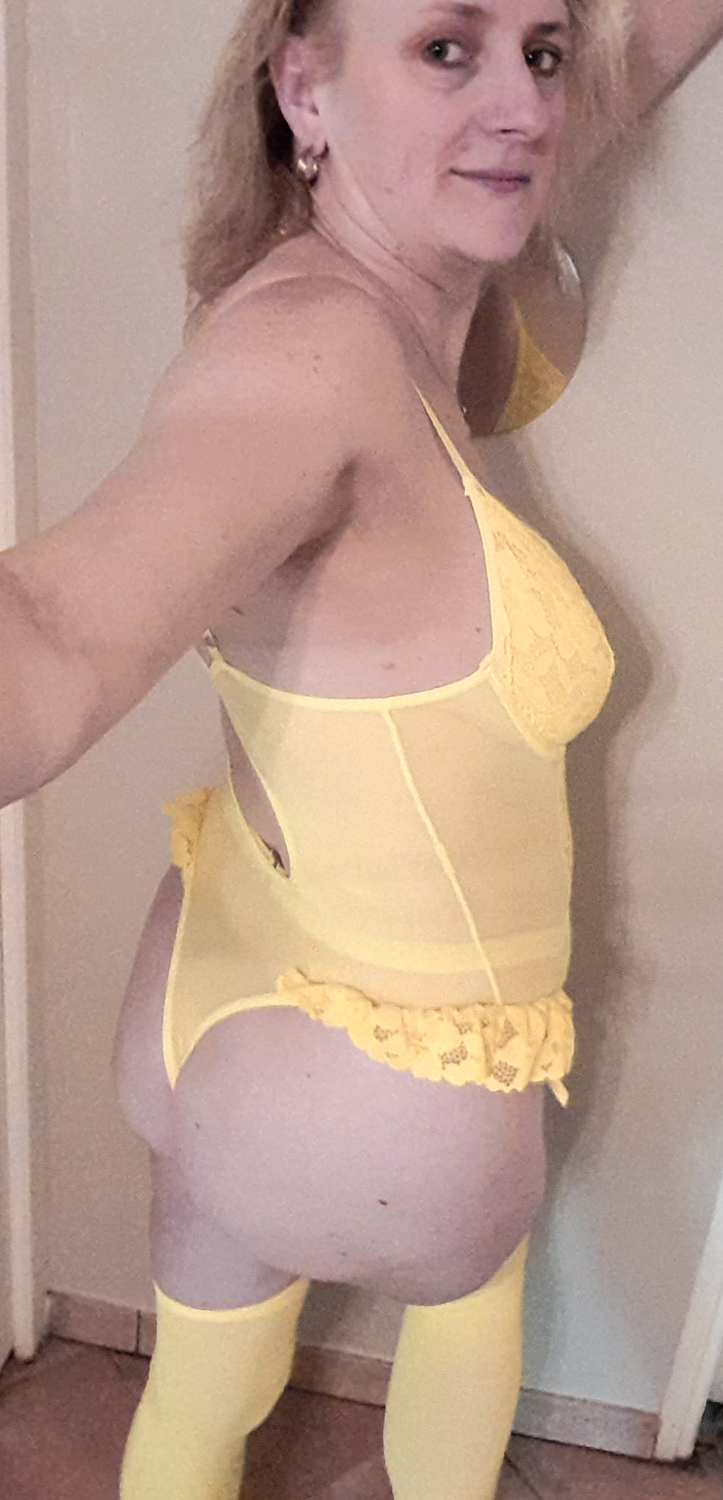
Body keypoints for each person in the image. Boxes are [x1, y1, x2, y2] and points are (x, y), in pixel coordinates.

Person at [2, 2, 722, 1496]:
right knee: (459, 1370)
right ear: (304, 87)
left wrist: (529, 64)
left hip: (219, 996)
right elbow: (55, 634)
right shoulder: (317, 351)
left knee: (201, 1393)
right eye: (446, 47)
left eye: (539, 50)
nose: (522, 103)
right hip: (383, 1086)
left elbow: (634, 55)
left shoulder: (356, 281)